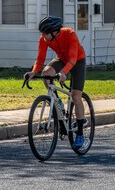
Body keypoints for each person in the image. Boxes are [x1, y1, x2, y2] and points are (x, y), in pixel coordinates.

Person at [26, 16, 87, 149]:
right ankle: (57, 103)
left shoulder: (70, 34)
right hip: (61, 59)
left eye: (46, 33)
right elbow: (40, 59)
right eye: (42, 33)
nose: (43, 36)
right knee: (46, 73)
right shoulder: (44, 39)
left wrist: (64, 72)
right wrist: (33, 72)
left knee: (76, 95)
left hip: (77, 60)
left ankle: (80, 134)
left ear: (54, 32)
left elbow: (72, 59)